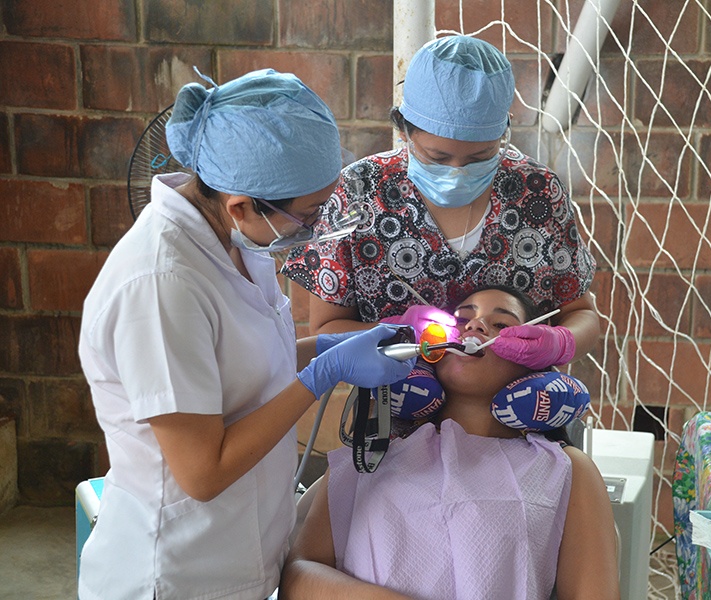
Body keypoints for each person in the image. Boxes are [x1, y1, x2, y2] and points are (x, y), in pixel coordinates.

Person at [77, 69, 414, 600]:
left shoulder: (239, 243)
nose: (315, 227)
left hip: (242, 552)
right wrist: (324, 373)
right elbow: (203, 473)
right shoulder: (162, 285)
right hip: (177, 574)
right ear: (241, 204)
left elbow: (244, 368)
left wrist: (329, 348)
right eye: (307, 216)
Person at [282, 35, 601, 372]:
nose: (457, 172)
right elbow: (325, 331)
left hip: (516, 415)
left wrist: (562, 343)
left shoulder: (537, 193)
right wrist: (401, 335)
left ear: (503, 134)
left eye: (480, 157)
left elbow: (580, 312)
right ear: (404, 130)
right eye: (438, 157)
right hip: (397, 411)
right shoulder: (358, 193)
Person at [279, 286, 620, 600]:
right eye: (461, 320)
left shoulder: (565, 470)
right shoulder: (373, 453)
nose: (475, 327)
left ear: (533, 362)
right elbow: (298, 574)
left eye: (502, 323)